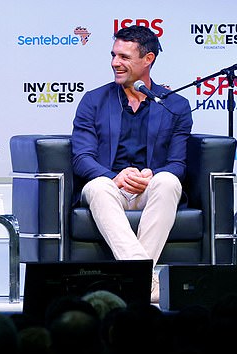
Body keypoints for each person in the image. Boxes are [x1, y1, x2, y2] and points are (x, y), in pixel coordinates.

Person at [71, 25, 193, 303]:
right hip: (111, 187)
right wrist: (113, 176)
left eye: (124, 57)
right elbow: (82, 158)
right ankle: (144, 280)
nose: (115, 63)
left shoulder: (174, 105)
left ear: (148, 59)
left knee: (169, 181)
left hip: (151, 188)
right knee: (98, 187)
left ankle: (134, 281)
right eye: (114, 55)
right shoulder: (93, 100)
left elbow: (177, 163)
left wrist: (151, 176)